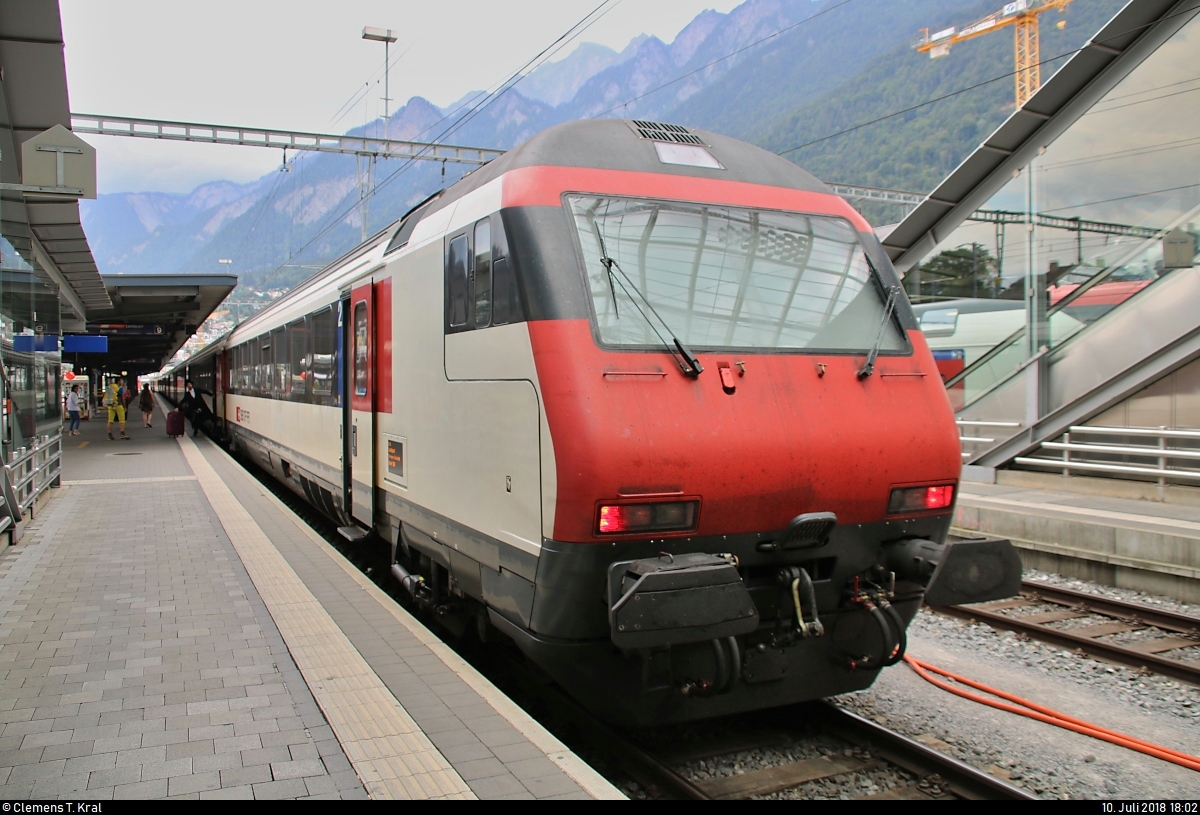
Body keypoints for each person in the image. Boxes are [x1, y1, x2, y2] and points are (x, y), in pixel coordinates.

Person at [104, 377, 130, 441]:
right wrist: (125, 407)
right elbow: (123, 398)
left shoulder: (110, 387)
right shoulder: (120, 388)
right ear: (118, 381)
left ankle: (110, 435)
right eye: (121, 381)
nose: (122, 382)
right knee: (122, 420)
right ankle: (122, 434)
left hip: (111, 405)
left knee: (110, 421)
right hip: (118, 405)